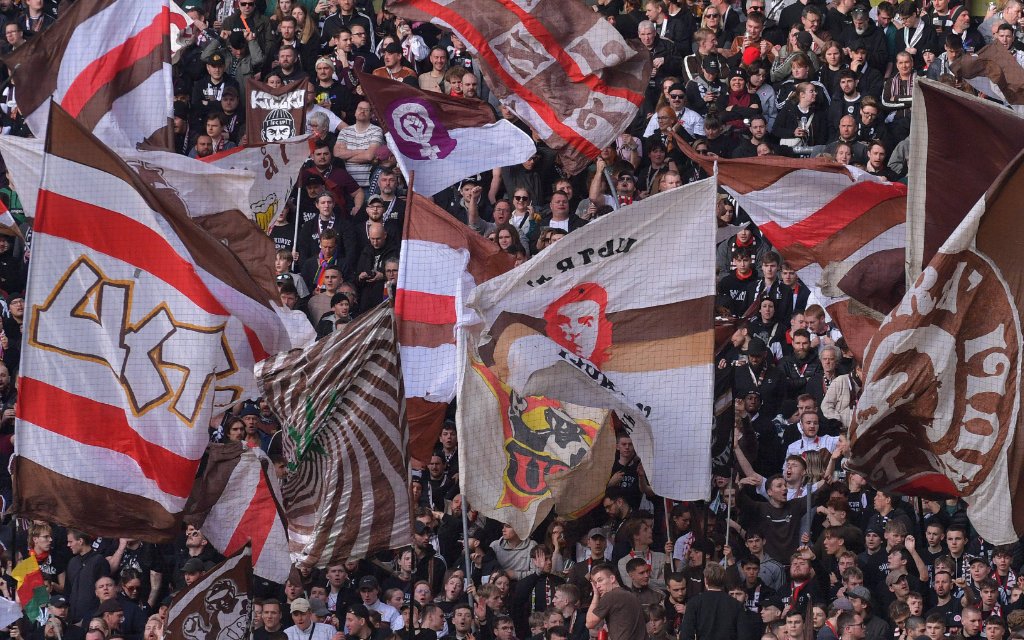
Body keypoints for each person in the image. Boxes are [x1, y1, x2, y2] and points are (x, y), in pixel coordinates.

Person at [678, 563, 746, 640]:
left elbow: (686, 635)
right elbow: (742, 634)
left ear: (706, 580)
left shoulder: (694, 602)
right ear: (724, 581)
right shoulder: (736, 604)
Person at [585, 564, 646, 640]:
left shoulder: (610, 596)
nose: (597, 586)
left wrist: (596, 595)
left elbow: (589, 623)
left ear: (612, 578)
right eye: (595, 583)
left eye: (600, 580)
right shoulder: (631, 595)